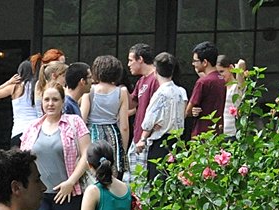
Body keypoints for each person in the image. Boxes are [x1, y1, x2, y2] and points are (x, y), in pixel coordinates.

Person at [20, 83, 91, 210]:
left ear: (62, 101)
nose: (50, 104)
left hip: (67, 194)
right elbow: (22, 160)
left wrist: (71, 182)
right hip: (37, 196)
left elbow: (87, 154)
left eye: (55, 99)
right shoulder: (32, 127)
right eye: (47, 100)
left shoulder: (74, 122)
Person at [135, 53, 187, 183]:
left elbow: (148, 121)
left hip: (160, 142)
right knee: (175, 181)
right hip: (177, 140)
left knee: (158, 181)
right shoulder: (181, 91)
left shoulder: (160, 94)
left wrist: (142, 139)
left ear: (156, 71)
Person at [81, 55, 129, 179]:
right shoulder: (122, 92)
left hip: (93, 134)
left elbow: (82, 120)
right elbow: (124, 126)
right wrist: (123, 150)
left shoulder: (89, 91)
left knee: (93, 173)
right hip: (113, 134)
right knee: (112, 174)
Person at [0, 59, 42, 147]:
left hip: (18, 130)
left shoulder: (14, 87)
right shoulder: (37, 86)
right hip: (35, 131)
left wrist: (9, 82)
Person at [186, 41, 225, 138]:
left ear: (205, 62)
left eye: (195, 61)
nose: (193, 64)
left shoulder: (203, 82)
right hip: (217, 132)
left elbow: (188, 111)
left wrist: (191, 111)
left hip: (202, 133)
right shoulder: (222, 79)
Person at [217, 55, 247, 139]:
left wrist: (236, 69)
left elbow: (241, 63)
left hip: (232, 133)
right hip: (219, 133)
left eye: (222, 71)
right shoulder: (218, 87)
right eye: (217, 73)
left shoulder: (236, 86)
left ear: (230, 68)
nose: (220, 75)